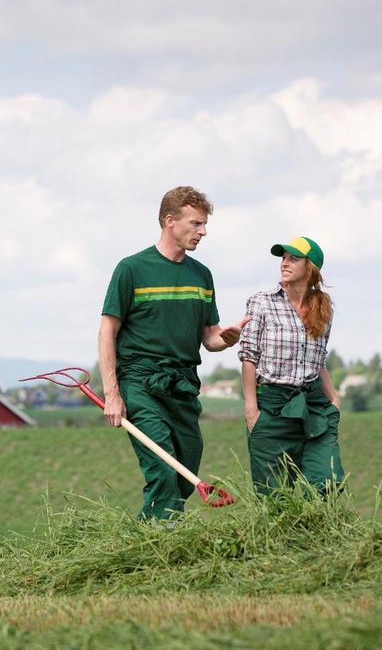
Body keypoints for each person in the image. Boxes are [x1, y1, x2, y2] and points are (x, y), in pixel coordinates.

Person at [99, 186, 248, 520]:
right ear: (170, 221)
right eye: (195, 224)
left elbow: (209, 337)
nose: (203, 232)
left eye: (204, 224)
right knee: (163, 470)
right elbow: (107, 331)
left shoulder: (201, 275)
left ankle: (143, 539)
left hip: (183, 386)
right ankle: (158, 548)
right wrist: (112, 393)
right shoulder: (132, 269)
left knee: (184, 473)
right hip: (140, 384)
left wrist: (228, 338)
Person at [238, 236, 345, 494]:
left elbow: (318, 359)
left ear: (310, 268)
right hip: (272, 407)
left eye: (293, 258)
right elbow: (248, 357)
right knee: (274, 497)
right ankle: (285, 535)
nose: (284, 263)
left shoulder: (323, 308)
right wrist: (252, 409)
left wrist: (334, 398)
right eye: (283, 257)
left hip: (313, 406)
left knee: (326, 483)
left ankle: (317, 532)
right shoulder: (262, 302)